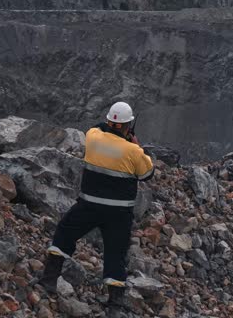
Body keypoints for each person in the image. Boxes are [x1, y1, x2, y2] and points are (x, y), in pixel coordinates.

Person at [37, 101, 154, 311]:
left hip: (89, 205)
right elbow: (147, 174)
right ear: (129, 127)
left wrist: (113, 128)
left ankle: (49, 279)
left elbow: (99, 126)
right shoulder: (133, 151)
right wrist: (136, 144)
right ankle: (115, 304)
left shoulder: (92, 137)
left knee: (65, 232)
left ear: (109, 121)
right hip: (119, 213)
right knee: (115, 254)